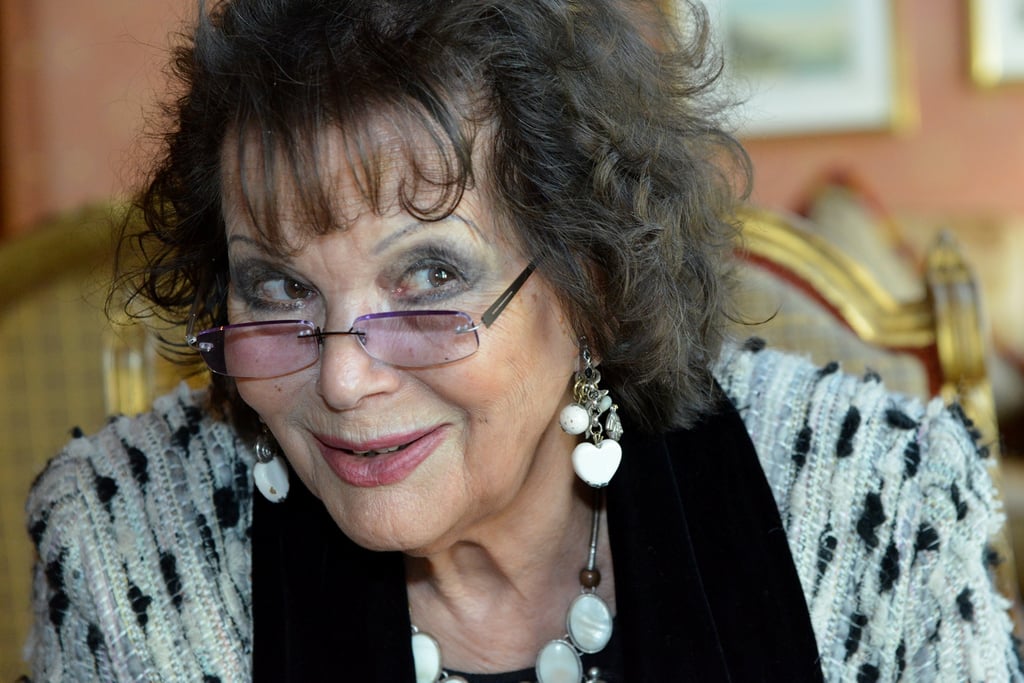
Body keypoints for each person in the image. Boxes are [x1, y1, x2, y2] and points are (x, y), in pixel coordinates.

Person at [23, 0, 1022, 680]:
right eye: (277, 287)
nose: (343, 376)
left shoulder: (870, 504)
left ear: (590, 277)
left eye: (429, 277)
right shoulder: (129, 549)